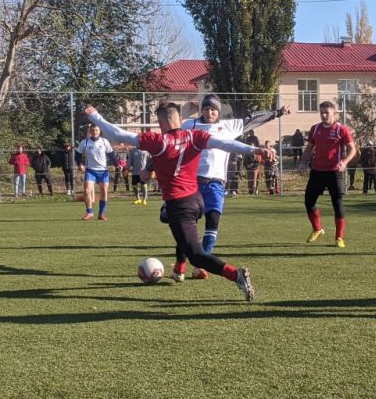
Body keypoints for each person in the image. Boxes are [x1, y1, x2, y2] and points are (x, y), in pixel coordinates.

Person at [85, 102, 275, 301]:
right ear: (179, 119)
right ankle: (178, 268)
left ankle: (235, 274)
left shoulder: (158, 141)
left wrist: (96, 116)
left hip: (179, 204)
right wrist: (254, 149)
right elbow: (225, 143)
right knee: (173, 225)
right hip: (196, 200)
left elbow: (118, 134)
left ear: (161, 122)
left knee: (196, 254)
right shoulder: (195, 136)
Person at [181, 94, 290, 275]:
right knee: (187, 224)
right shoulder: (189, 126)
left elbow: (253, 119)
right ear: (202, 110)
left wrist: (277, 113)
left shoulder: (229, 126)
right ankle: (180, 265)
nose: (210, 112)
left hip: (216, 182)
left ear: (219, 111)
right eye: (207, 109)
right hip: (192, 182)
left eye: (213, 109)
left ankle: (201, 265)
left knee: (213, 220)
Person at [297, 101, 357, 248]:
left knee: (337, 205)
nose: (324, 115)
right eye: (322, 113)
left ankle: (339, 238)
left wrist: (344, 162)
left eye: (327, 113)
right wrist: (303, 162)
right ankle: (317, 229)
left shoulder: (341, 129)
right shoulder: (315, 129)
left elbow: (352, 149)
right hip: (317, 171)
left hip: (334, 172)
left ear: (334, 113)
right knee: (308, 202)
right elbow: (309, 148)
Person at [76, 124, 114, 220]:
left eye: (96, 130)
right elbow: (78, 154)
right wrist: (80, 164)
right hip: (90, 170)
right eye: (93, 130)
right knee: (87, 190)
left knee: (104, 191)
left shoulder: (104, 142)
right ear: (90, 131)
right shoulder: (85, 142)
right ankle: (89, 212)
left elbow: (111, 154)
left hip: (103, 170)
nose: (95, 132)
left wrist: (118, 165)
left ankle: (101, 214)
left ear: (99, 131)